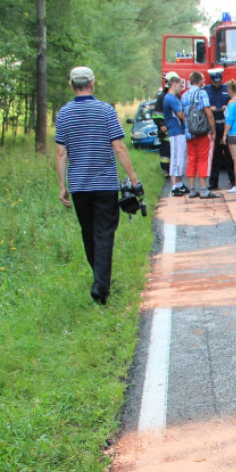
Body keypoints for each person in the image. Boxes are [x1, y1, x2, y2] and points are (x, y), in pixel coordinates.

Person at [54, 66, 140, 305]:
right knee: (104, 233)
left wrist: (62, 186)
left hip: (79, 186)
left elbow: (61, 153)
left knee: (88, 233)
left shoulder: (64, 114)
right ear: (92, 84)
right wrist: (133, 178)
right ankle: (100, 285)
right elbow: (119, 146)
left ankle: (99, 280)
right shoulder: (105, 111)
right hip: (104, 185)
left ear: (71, 85)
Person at [203, 68, 234, 191]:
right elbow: (202, 106)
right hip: (213, 125)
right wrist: (210, 108)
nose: (218, 83)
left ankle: (234, 180)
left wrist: (228, 105)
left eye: (219, 81)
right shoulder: (205, 90)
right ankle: (213, 182)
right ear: (211, 80)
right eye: (215, 81)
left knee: (229, 155)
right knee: (214, 156)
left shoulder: (227, 89)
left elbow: (234, 100)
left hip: (225, 125)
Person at [162, 74, 188, 195]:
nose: (181, 87)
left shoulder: (175, 98)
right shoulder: (170, 98)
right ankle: (174, 186)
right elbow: (180, 114)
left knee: (181, 158)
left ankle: (179, 183)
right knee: (176, 158)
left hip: (179, 131)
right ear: (173, 84)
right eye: (179, 85)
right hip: (175, 131)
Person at [154, 76, 171, 177]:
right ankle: (165, 170)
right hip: (164, 134)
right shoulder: (161, 97)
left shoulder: (176, 97)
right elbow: (156, 115)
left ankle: (173, 171)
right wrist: (161, 125)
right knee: (165, 154)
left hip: (174, 132)